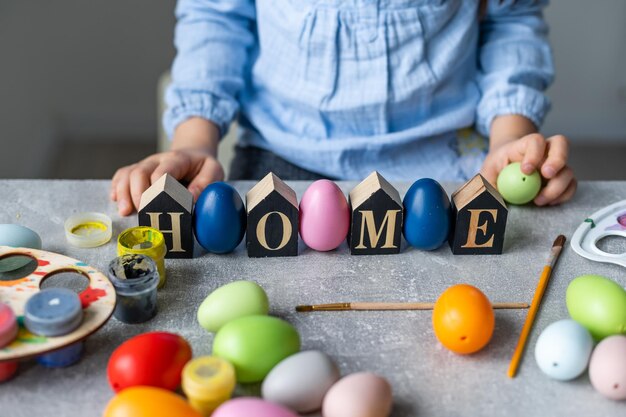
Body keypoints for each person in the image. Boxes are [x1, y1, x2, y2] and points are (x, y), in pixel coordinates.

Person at [111, 0, 576, 216]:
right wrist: (194, 140)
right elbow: (217, 18)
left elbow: (511, 19)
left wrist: (510, 139)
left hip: (445, 158)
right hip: (284, 155)